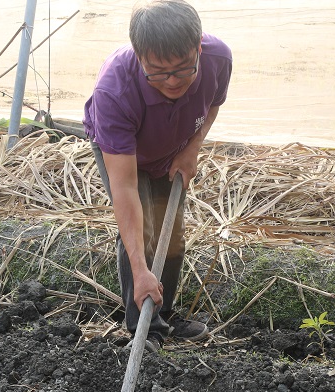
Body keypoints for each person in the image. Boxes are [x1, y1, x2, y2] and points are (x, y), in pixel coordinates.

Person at [83, 0, 232, 350]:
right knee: (142, 231)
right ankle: (142, 328)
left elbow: (213, 103)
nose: (172, 82)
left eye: (182, 69)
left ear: (198, 49)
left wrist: (192, 148)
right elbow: (125, 188)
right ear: (139, 57)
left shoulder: (218, 59)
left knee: (174, 235)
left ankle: (163, 313)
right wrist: (140, 270)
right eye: (158, 72)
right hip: (126, 156)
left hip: (173, 147)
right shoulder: (114, 92)